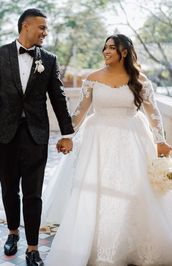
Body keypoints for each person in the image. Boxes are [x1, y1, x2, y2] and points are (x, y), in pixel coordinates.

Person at [43, 34, 172, 266]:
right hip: (98, 140)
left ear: (124, 52)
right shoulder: (92, 79)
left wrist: (160, 140)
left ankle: (134, 244)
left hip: (133, 139)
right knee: (97, 189)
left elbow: (153, 114)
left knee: (135, 188)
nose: (106, 51)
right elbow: (80, 112)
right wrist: (67, 136)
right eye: (105, 47)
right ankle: (96, 244)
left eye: (111, 47)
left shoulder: (139, 79)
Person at [0, 8, 74, 266]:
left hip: (36, 134)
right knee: (9, 189)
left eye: (46, 28)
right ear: (26, 26)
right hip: (4, 134)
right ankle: (12, 232)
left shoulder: (49, 59)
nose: (45, 32)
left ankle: (32, 248)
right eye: (41, 27)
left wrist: (67, 133)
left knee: (33, 193)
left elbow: (58, 97)